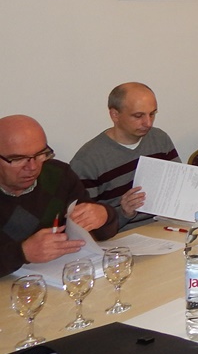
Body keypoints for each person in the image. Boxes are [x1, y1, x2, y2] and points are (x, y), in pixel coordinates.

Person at [0, 115, 118, 277]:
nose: (33, 167)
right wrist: (22, 253)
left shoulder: (59, 175)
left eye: (40, 154)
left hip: (60, 279)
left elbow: (98, 234)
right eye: (18, 159)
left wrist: (104, 215)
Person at [70, 82, 181, 230]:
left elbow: (178, 187)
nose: (148, 123)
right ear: (115, 115)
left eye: (152, 114)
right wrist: (123, 212)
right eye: (138, 116)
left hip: (164, 226)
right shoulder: (88, 159)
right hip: (122, 235)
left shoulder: (159, 139)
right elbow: (83, 225)